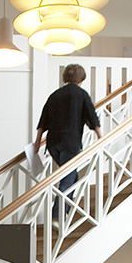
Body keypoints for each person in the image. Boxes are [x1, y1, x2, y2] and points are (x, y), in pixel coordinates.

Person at [33, 64, 101, 215]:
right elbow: (92, 117)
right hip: (70, 143)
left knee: (72, 176)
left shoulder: (55, 95)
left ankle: (65, 211)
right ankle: (57, 215)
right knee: (68, 179)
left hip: (53, 144)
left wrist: (37, 143)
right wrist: (101, 137)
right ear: (81, 79)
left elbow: (42, 121)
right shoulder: (81, 94)